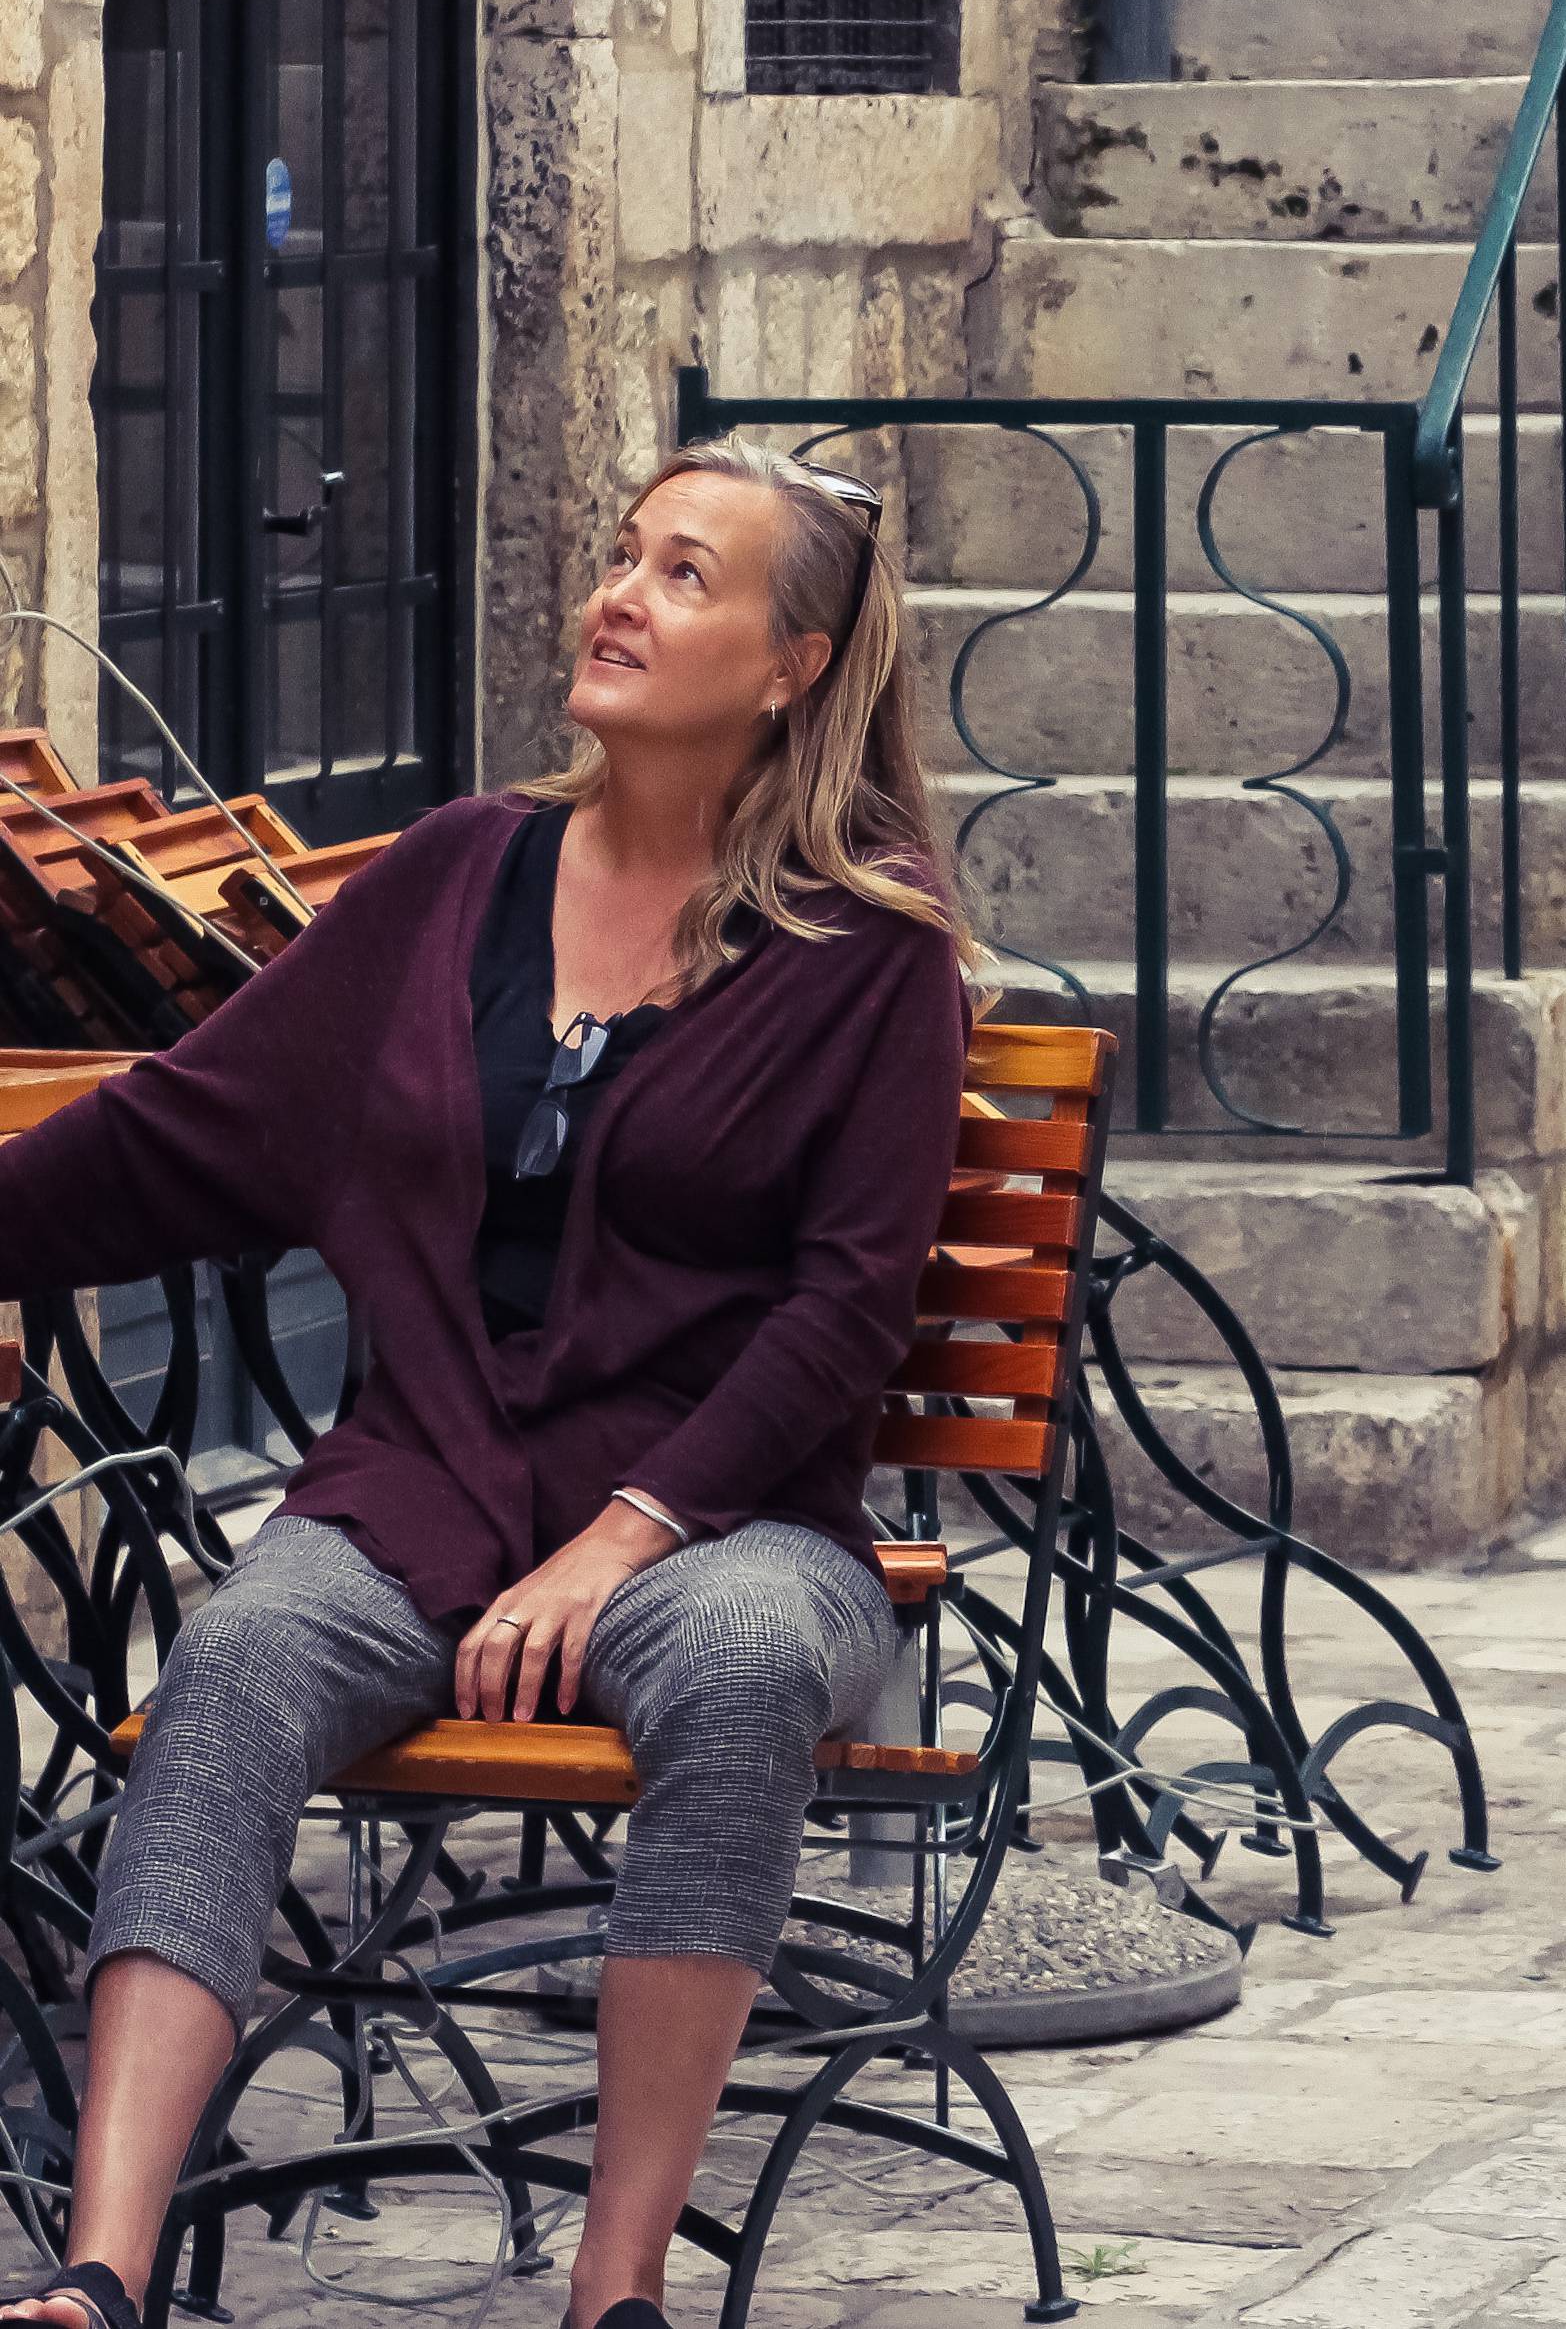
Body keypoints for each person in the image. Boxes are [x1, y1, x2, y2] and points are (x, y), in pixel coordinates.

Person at [0, 436, 979, 2329]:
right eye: (624, 555)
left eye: (686, 575)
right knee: (239, 1654)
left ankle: (620, 2291)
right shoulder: (457, 873)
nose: (619, 594)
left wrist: (627, 1535)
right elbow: (184, 1129)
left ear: (793, 662)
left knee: (744, 1661)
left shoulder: (871, 949)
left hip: (735, 1519)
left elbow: (846, 1315)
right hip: (424, 1491)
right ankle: (103, 2269)